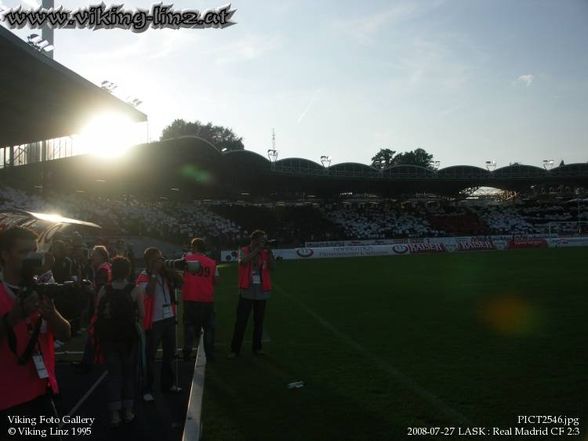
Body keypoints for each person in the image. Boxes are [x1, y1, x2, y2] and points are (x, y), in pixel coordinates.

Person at [0, 227, 71, 433]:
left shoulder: (38, 288)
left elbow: (65, 333)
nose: (31, 258)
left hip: (44, 392)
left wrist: (51, 315)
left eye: (33, 251)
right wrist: (15, 317)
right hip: (9, 401)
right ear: (4, 255)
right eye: (23, 253)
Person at [95, 256, 143, 427]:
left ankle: (114, 413)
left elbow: (97, 312)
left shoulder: (104, 290)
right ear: (128, 270)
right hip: (129, 338)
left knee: (114, 375)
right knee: (129, 374)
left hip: (109, 338)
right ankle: (128, 410)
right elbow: (142, 315)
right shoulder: (135, 289)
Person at [136, 248, 182, 402]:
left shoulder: (166, 274)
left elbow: (181, 284)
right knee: (149, 356)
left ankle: (167, 384)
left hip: (169, 318)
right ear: (149, 261)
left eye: (161, 258)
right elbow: (149, 292)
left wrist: (171, 270)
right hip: (153, 321)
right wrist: (154, 273)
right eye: (157, 259)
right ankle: (146, 388)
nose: (160, 261)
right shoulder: (143, 277)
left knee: (169, 354)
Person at [229, 230, 275, 358]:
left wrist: (269, 253)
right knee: (241, 322)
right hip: (246, 292)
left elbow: (273, 267)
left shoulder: (265, 252)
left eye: (265, 240)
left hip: (261, 292)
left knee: (259, 322)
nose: (264, 242)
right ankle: (235, 350)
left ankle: (257, 348)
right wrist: (257, 250)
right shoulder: (244, 250)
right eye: (262, 240)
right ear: (254, 240)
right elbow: (243, 262)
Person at [74, 245, 112, 373]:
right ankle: (88, 361)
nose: (92, 256)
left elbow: (100, 290)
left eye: (94, 254)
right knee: (95, 335)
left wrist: (90, 289)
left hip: (101, 308)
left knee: (94, 334)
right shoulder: (106, 267)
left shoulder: (102, 270)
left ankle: (90, 363)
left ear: (101, 256)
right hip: (105, 308)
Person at [182, 238, 219, 361]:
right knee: (208, 328)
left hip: (190, 297)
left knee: (189, 326)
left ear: (194, 247)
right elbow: (217, 281)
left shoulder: (186, 260)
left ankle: (187, 351)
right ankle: (210, 354)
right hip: (207, 299)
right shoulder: (211, 262)